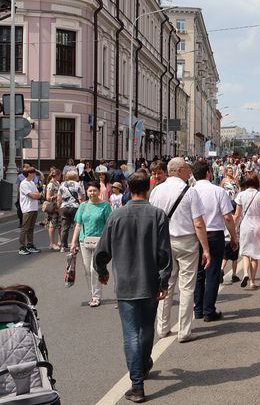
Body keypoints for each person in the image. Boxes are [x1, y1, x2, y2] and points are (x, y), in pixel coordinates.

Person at [94, 171, 172, 403]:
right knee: (146, 328)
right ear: (147, 189)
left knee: (130, 332)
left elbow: (101, 250)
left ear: (128, 188)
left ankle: (137, 384)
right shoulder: (158, 215)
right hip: (149, 281)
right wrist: (164, 280)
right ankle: (144, 364)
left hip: (126, 283)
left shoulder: (117, 216)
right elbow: (164, 254)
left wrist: (103, 271)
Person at [149, 157, 210, 343]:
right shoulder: (190, 192)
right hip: (186, 243)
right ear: (179, 170)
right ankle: (184, 331)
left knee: (165, 284)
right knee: (187, 287)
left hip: (163, 243)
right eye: (186, 168)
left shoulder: (157, 191)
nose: (189, 171)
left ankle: (162, 327)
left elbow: (152, 219)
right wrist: (206, 249)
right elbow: (198, 224)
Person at [191, 160, 238, 321]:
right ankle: (208, 311)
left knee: (198, 274)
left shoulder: (190, 191)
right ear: (208, 173)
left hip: (195, 235)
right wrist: (234, 237)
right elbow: (227, 217)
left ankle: (197, 309)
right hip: (214, 235)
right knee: (212, 273)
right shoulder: (218, 191)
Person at [71, 182, 112, 307]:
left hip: (100, 242)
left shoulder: (105, 206)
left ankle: (96, 296)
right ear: (86, 192)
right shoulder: (83, 206)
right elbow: (78, 225)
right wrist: (73, 242)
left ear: (99, 191)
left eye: (94, 190)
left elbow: (109, 225)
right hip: (84, 241)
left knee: (94, 269)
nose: (92, 193)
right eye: (90, 191)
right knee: (87, 269)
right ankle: (93, 293)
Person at [233, 173, 260, 289]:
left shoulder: (241, 195)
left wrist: (233, 229)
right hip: (257, 225)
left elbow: (237, 214)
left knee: (245, 253)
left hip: (245, 225)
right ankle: (252, 281)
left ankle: (245, 274)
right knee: (255, 255)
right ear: (256, 182)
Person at [58, 170, 84, 252]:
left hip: (64, 207)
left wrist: (59, 207)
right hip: (75, 207)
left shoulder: (62, 185)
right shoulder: (78, 185)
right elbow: (80, 198)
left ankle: (63, 246)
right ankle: (77, 245)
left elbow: (59, 198)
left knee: (65, 227)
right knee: (77, 226)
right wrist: (83, 206)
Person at [18, 167, 42, 255]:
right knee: (25, 228)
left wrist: (36, 195)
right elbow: (32, 195)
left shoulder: (31, 182)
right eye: (34, 173)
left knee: (31, 228)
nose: (35, 174)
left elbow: (38, 194)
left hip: (34, 207)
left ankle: (30, 245)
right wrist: (36, 195)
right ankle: (22, 247)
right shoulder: (24, 184)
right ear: (29, 173)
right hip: (27, 208)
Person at [45, 169, 62, 250]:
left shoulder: (57, 183)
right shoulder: (51, 184)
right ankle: (52, 243)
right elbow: (48, 197)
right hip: (53, 207)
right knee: (52, 225)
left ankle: (60, 241)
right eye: (60, 175)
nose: (60, 177)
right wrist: (57, 196)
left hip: (58, 207)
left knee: (60, 225)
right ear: (57, 175)